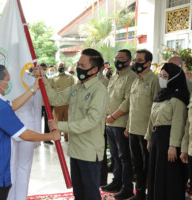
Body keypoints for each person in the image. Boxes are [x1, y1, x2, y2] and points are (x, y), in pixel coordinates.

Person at [0, 64, 60, 200]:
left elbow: (12, 105)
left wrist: (33, 89)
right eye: (7, 80)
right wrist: (50, 136)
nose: (9, 83)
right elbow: (23, 134)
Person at [46, 48, 109, 200]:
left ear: (94, 69)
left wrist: (59, 126)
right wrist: (43, 80)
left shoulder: (99, 91)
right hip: (75, 150)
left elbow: (91, 121)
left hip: (89, 151)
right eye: (78, 64)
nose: (79, 68)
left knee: (91, 194)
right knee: (79, 193)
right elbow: (56, 98)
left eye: (83, 65)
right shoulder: (77, 87)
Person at [145, 63, 189, 200]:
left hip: (168, 140)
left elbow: (178, 123)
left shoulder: (178, 97)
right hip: (156, 138)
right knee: (155, 173)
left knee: (168, 175)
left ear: (174, 78)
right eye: (160, 76)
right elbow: (151, 118)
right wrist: (149, 138)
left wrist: (173, 146)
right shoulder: (161, 95)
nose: (162, 79)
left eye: (165, 76)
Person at [125, 49, 160, 200]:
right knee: (137, 165)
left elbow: (156, 108)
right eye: (135, 60)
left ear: (148, 63)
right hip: (133, 129)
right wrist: (128, 126)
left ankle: (150, 195)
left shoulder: (154, 81)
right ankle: (139, 194)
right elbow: (132, 105)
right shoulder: (136, 80)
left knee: (147, 166)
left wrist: (151, 134)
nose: (136, 63)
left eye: (140, 60)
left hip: (146, 132)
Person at [101, 49, 136, 200]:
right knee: (115, 156)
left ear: (128, 61)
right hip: (109, 122)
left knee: (124, 157)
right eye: (116, 57)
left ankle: (127, 187)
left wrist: (113, 116)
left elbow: (128, 101)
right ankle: (117, 182)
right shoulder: (114, 76)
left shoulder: (132, 77)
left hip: (120, 123)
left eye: (121, 58)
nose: (117, 60)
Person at [7, 67, 42, 200]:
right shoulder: (4, 80)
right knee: (10, 167)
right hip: (8, 127)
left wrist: (37, 134)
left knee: (24, 166)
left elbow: (37, 109)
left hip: (28, 127)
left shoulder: (32, 80)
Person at [50, 62, 77, 141]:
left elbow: (75, 89)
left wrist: (72, 97)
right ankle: (56, 137)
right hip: (57, 104)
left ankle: (67, 137)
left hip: (68, 103)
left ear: (65, 67)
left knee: (67, 121)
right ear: (56, 67)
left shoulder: (70, 77)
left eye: (62, 66)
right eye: (59, 66)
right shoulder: (53, 78)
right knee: (57, 121)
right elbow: (50, 89)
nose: (61, 68)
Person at [39, 63, 54, 145]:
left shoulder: (49, 79)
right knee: (37, 121)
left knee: (48, 122)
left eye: (45, 69)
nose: (43, 71)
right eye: (42, 69)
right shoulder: (35, 79)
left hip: (48, 103)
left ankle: (47, 138)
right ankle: (36, 138)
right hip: (39, 104)